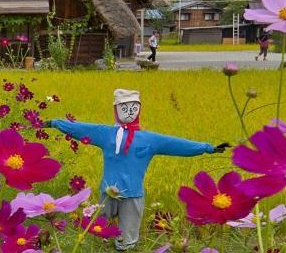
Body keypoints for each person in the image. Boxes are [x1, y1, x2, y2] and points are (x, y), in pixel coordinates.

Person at [45, 89, 228, 251]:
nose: (129, 112)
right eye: (124, 108)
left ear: (139, 110)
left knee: (127, 240)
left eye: (134, 108)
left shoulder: (149, 139)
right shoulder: (106, 133)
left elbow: (177, 144)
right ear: (116, 110)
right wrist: (54, 123)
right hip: (107, 193)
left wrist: (207, 148)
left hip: (133, 195)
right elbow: (79, 128)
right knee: (96, 231)